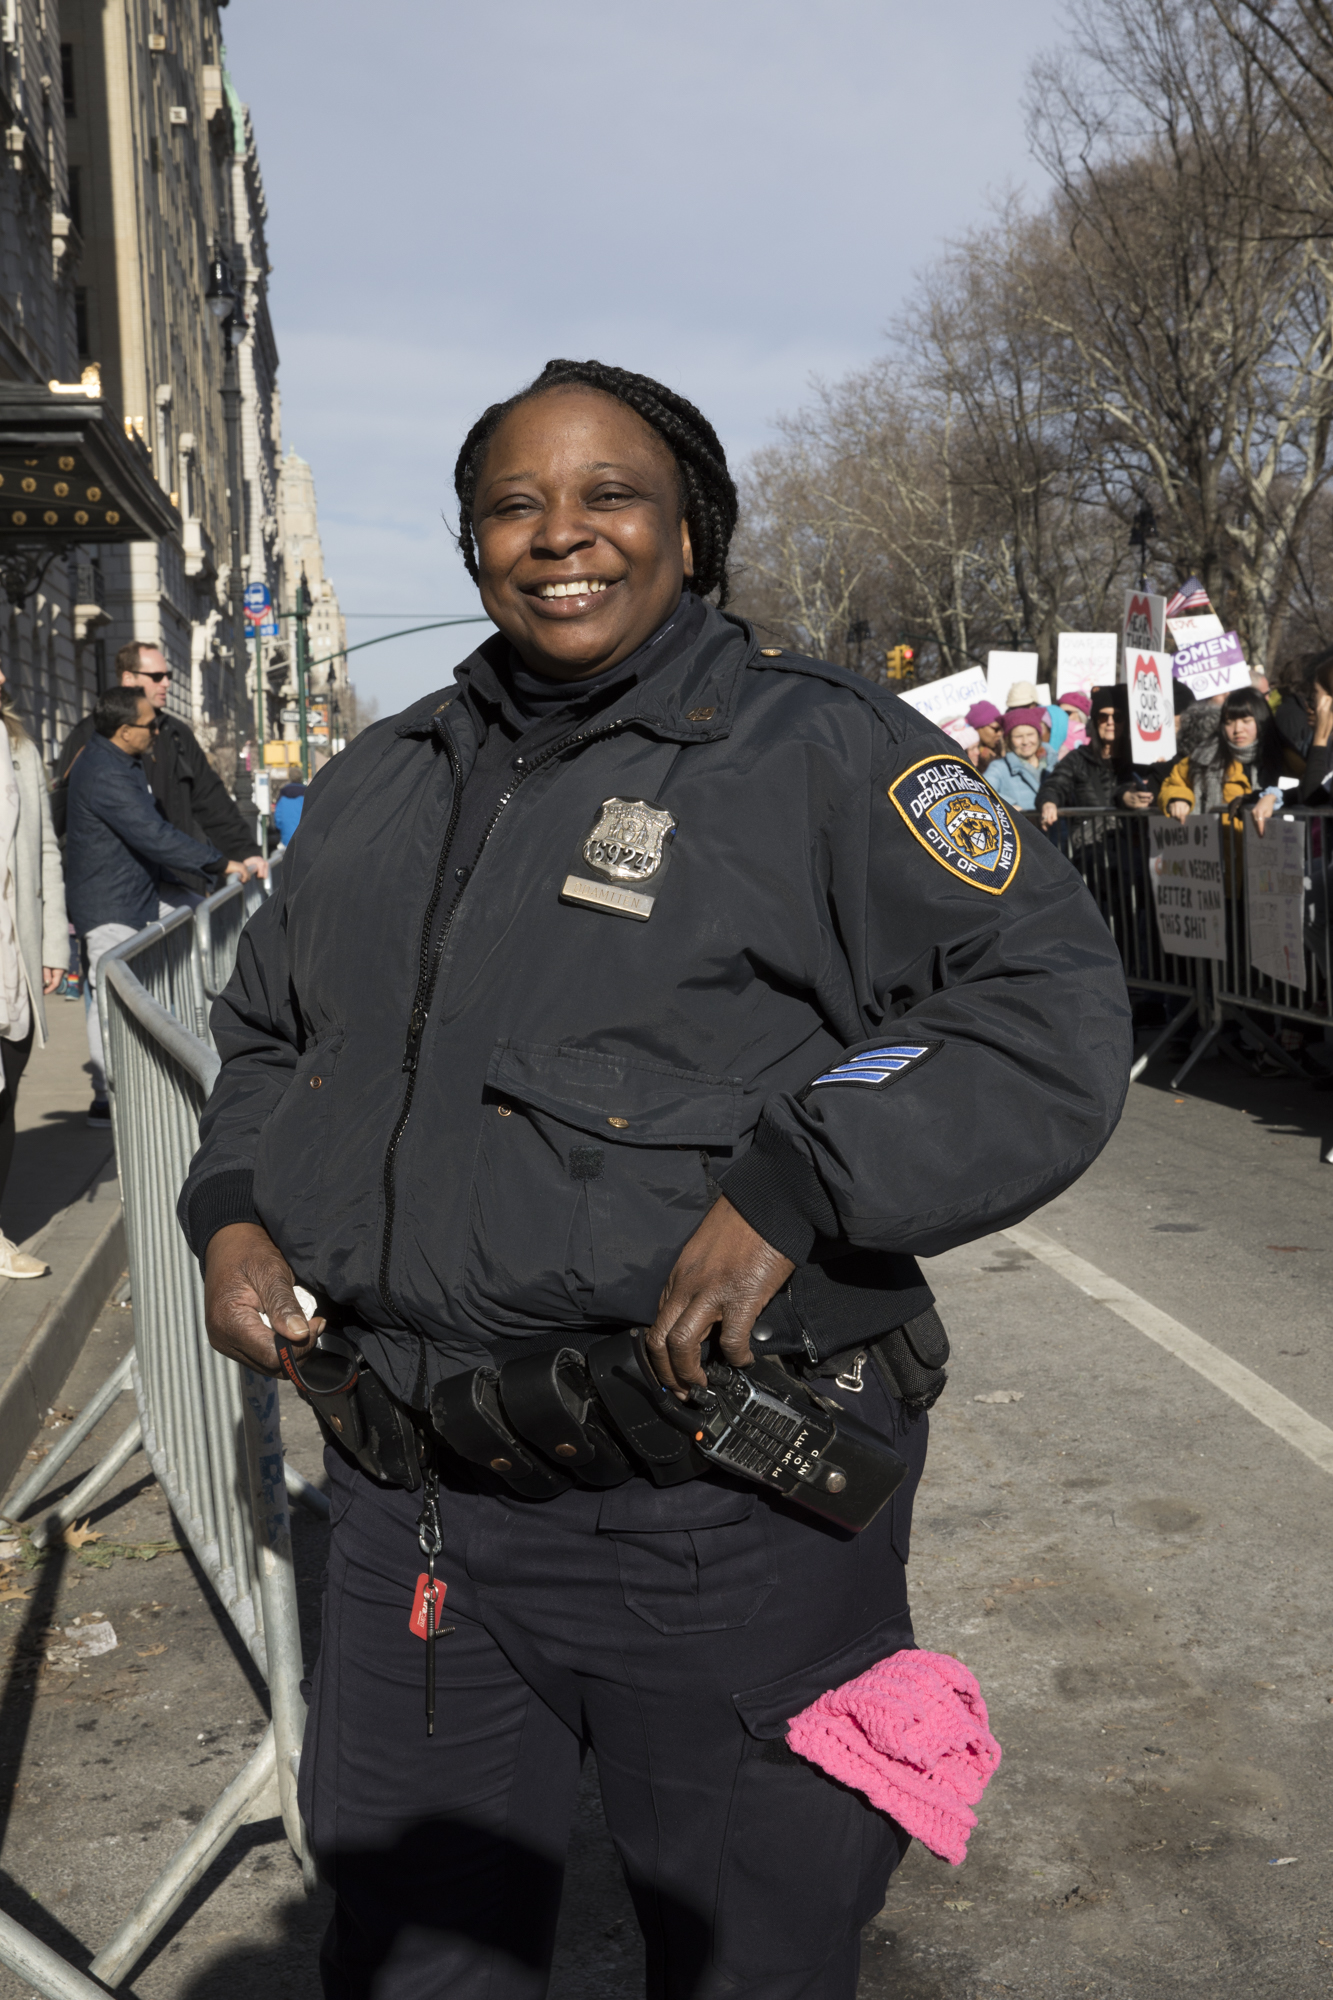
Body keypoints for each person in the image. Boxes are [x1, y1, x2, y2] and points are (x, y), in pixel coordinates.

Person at [182, 358, 1131, 2000]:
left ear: (689, 530)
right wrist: (232, 1210)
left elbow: (1042, 1002)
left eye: (608, 494)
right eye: (513, 503)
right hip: (414, 1512)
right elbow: (264, 1031)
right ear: (473, 540)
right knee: (412, 1965)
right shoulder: (375, 781)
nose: (561, 534)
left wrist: (800, 1178)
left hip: (715, 1518)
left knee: (748, 1955)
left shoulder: (817, 750)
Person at [66, 688, 244, 1126]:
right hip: (110, 906)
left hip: (137, 893)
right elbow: (153, 834)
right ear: (125, 732)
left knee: (188, 921)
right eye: (150, 725)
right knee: (110, 1000)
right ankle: (108, 1099)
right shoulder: (105, 772)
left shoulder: (121, 762)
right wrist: (221, 862)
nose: (157, 730)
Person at [54, 641, 267, 890]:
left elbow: (212, 801)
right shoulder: (90, 737)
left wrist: (244, 850)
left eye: (168, 676)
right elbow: (67, 818)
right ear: (128, 679)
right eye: (156, 676)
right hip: (118, 891)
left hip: (178, 880)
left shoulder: (176, 733)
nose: (166, 683)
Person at [0, 668, 69, 1279]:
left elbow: (44, 848)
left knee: (5, 1095)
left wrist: (52, 946)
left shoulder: (17, 748)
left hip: (11, 952)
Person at [1159, 685, 1300, 837]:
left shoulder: (1284, 757)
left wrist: (1273, 796)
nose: (1237, 729)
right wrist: (1179, 798)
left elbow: (1309, 791)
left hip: (1267, 851)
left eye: (1246, 721)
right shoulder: (1203, 756)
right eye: (1229, 722)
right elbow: (1174, 783)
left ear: (1260, 720)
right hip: (1216, 852)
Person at [1037, 685, 1155, 828]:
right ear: (1094, 721)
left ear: (1125, 722)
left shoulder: (1141, 758)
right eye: (1103, 716)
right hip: (1090, 846)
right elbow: (1054, 785)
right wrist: (1049, 802)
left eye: (1117, 717)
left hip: (1133, 845)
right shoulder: (1077, 758)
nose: (1110, 722)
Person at [984, 705, 1053, 812]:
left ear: (1039, 736)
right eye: (1018, 736)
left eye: (1030, 734)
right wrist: (1009, 806)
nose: (1025, 741)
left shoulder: (1054, 761)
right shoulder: (999, 768)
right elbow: (982, 791)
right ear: (1009, 740)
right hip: (1023, 828)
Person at [271, 766, 307, 845]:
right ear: (301, 777)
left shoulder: (283, 794)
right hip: (304, 834)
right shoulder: (307, 794)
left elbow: (278, 817)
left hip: (286, 834)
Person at [964, 699, 1003, 772]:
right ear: (978, 728)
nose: (1000, 733)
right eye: (996, 729)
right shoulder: (972, 758)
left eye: (1001, 728)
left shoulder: (1001, 748)